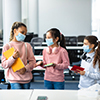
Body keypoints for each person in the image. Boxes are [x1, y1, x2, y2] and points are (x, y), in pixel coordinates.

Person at [1, 22, 36, 89]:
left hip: (26, 79)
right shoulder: (8, 46)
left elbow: (33, 62)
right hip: (14, 79)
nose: (24, 35)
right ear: (15, 31)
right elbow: (4, 65)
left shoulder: (27, 46)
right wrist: (13, 58)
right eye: (22, 32)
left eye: (25, 33)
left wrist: (26, 68)